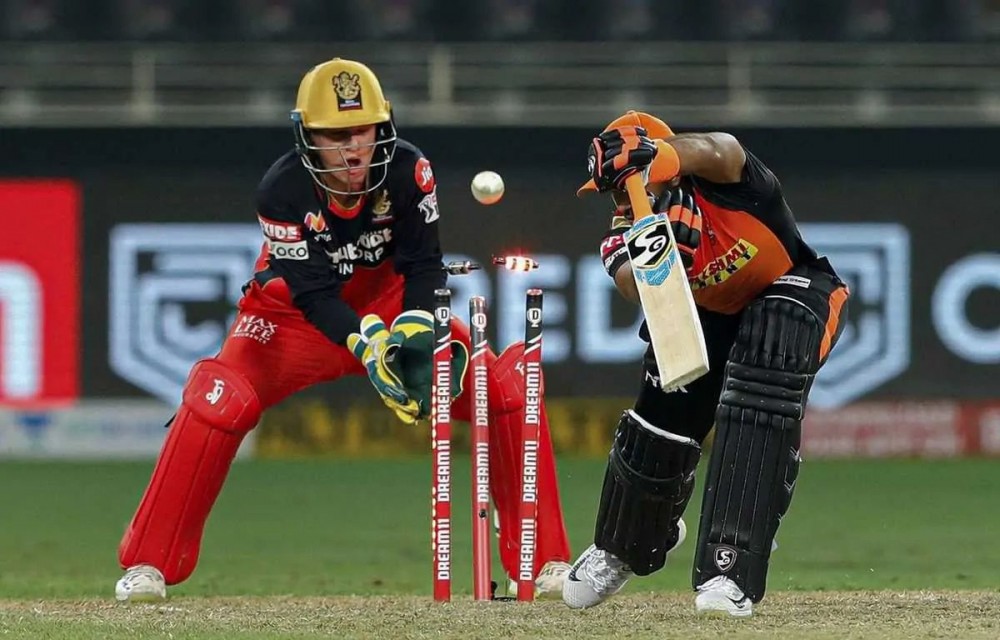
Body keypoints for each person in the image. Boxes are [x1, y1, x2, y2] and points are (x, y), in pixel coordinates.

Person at [114, 58, 571, 601]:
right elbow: (312, 294)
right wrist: (366, 345)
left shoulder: (409, 171)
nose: (352, 150)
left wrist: (418, 330)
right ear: (308, 137)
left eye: (361, 131)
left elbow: (424, 266)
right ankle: (149, 564)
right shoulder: (280, 191)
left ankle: (542, 562)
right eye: (334, 136)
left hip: (391, 300)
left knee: (503, 386)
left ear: (382, 128)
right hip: (290, 317)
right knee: (219, 399)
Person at [563, 111, 850, 616]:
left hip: (796, 294)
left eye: (622, 183)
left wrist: (659, 157)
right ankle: (628, 540)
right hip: (710, 318)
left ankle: (729, 565)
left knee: (768, 347)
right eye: (610, 189)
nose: (617, 200)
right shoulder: (624, 231)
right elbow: (632, 284)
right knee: (664, 393)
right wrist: (661, 259)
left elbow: (722, 147)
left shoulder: (730, 182)